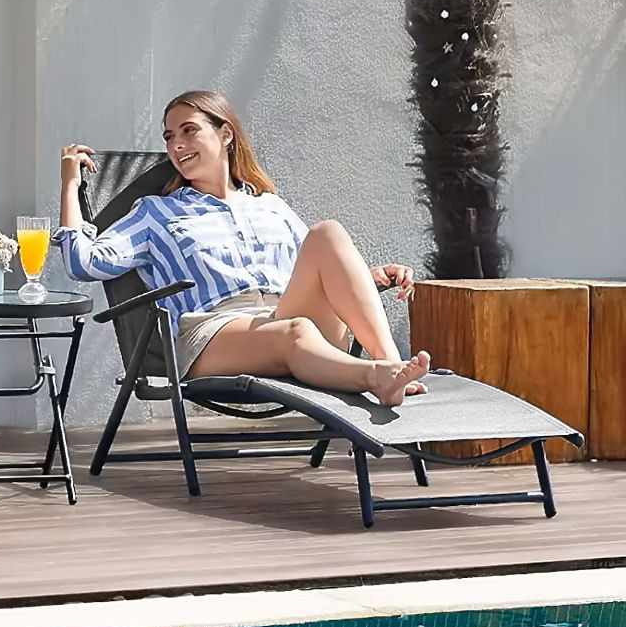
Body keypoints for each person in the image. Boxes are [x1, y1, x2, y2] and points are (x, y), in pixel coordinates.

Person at [56, 89, 431, 406]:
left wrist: (369, 277)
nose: (176, 144)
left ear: (225, 134)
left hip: (285, 316)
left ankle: (392, 366)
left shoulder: (270, 206)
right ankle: (374, 377)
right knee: (295, 330)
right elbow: (82, 263)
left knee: (328, 234)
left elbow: (315, 272)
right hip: (214, 334)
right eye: (169, 137)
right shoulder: (156, 212)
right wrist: (70, 184)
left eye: (189, 130)